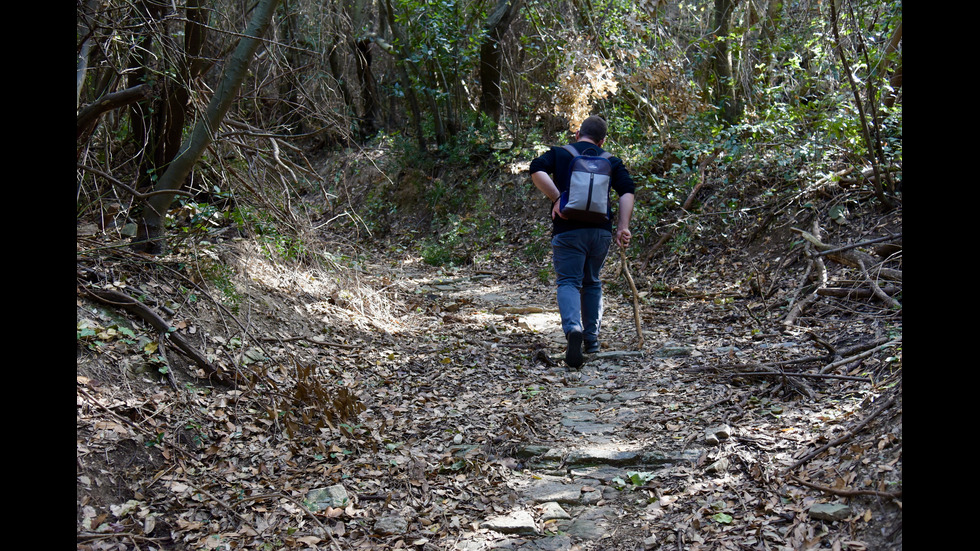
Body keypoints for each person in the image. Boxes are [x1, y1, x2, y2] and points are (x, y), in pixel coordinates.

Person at [529, 115, 635, 368]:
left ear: (578, 133)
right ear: (602, 140)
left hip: (567, 229)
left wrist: (557, 199)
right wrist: (623, 227)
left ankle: (573, 328)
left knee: (568, 281)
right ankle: (591, 338)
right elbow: (627, 191)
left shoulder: (560, 153)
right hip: (599, 232)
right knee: (592, 281)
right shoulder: (611, 160)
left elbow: (536, 169)